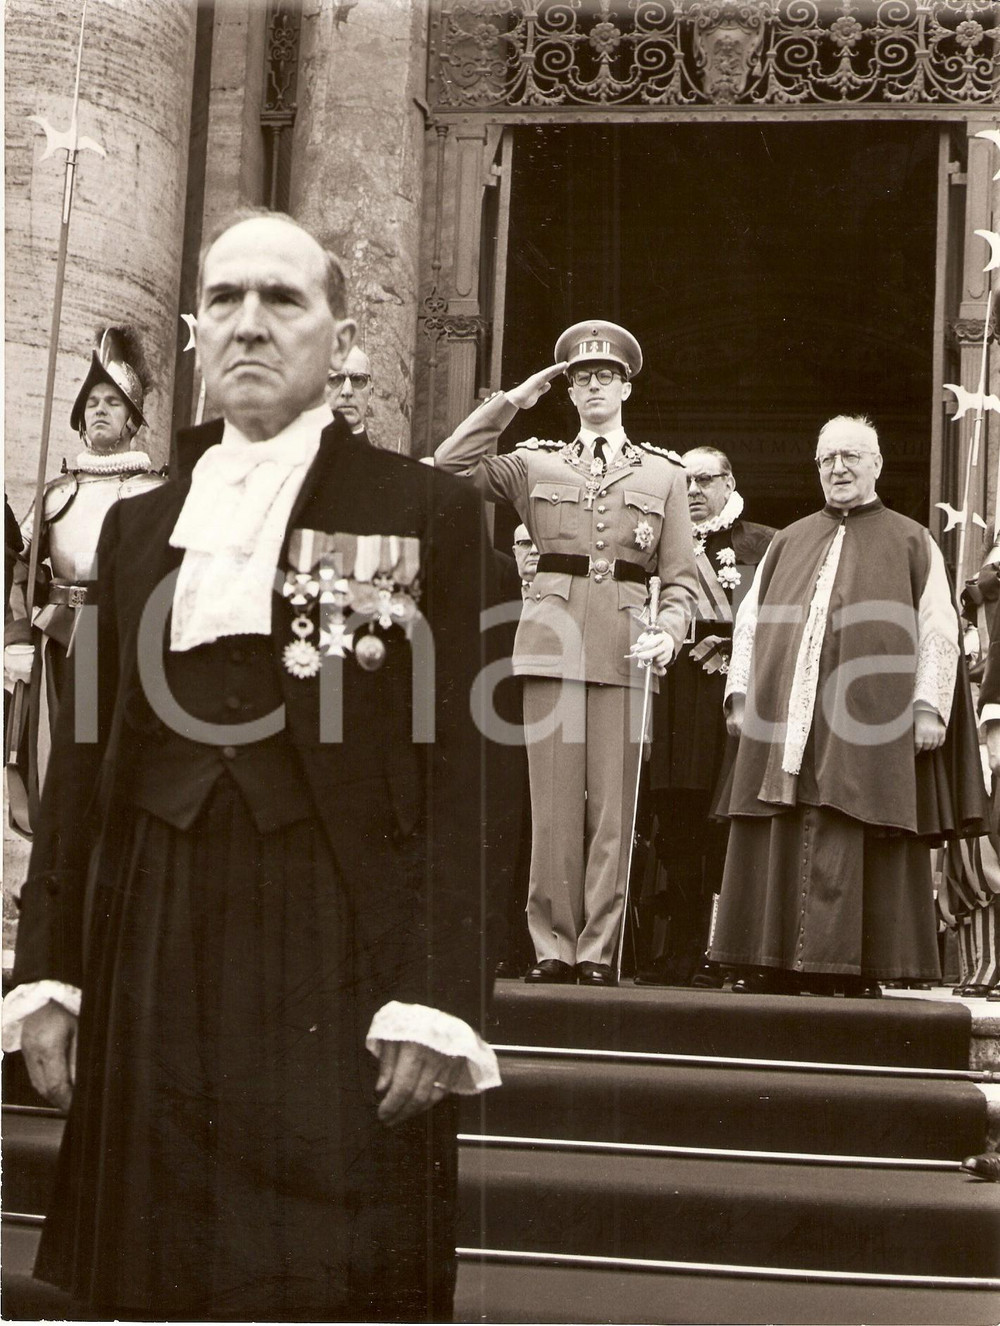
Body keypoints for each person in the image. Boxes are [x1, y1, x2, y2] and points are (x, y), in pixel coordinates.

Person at [4, 210, 500, 1321]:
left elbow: (469, 768)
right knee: (156, 1265)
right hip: (154, 916)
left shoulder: (428, 510)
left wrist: (436, 994)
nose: (250, 326)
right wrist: (51, 973)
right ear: (194, 334)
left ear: (338, 332)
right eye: (225, 302)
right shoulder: (140, 527)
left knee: (320, 1274)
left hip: (337, 935)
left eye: (283, 300)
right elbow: (80, 768)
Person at [435, 321, 697, 987]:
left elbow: (684, 576)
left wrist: (670, 627)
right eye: (580, 378)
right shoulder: (535, 462)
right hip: (551, 647)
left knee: (613, 807)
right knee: (553, 806)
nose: (593, 386)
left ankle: (598, 953)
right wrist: (512, 401)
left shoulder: (665, 475)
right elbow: (452, 467)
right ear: (568, 391)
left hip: (625, 648)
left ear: (626, 387)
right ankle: (552, 945)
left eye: (605, 375)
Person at [711, 415, 986, 997]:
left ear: (877, 465)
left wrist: (930, 707)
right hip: (783, 720)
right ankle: (767, 958)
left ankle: (854, 968)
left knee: (856, 819)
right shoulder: (788, 539)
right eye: (827, 458)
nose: (838, 468)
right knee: (777, 822)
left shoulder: (913, 540)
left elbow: (939, 627)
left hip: (872, 721)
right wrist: (739, 693)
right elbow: (753, 625)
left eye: (851, 457)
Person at [3, 328, 165, 829]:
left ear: (133, 420)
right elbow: (21, 569)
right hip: (58, 648)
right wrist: (16, 637)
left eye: (113, 403)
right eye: (92, 402)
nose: (100, 409)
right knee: (58, 774)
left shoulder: (158, 494)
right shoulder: (55, 495)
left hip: (125, 647)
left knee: (118, 781)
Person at [639, 447, 773, 988]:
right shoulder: (655, 538)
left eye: (704, 480)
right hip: (667, 698)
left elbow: (788, 620)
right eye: (683, 480)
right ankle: (679, 950)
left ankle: (723, 950)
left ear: (729, 482)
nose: (692, 490)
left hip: (728, 703)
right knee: (671, 824)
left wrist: (732, 640)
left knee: (721, 827)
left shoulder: (763, 543)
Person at [326, 343, 374, 442]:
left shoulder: (381, 458)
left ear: (370, 394)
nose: (347, 391)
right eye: (335, 379)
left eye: (358, 380)